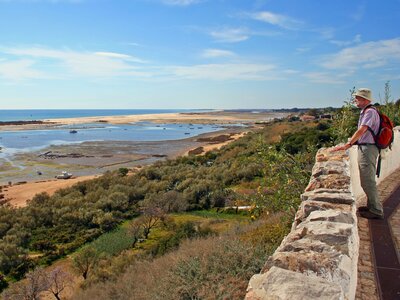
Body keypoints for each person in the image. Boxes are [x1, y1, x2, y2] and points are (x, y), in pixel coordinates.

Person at [332, 88, 384, 219]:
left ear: (365, 100)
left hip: (368, 148)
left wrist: (349, 144)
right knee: (367, 179)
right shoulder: (366, 111)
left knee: (367, 181)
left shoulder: (370, 112)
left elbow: (362, 130)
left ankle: (376, 210)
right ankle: (371, 206)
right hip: (366, 147)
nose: (356, 100)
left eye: (358, 98)